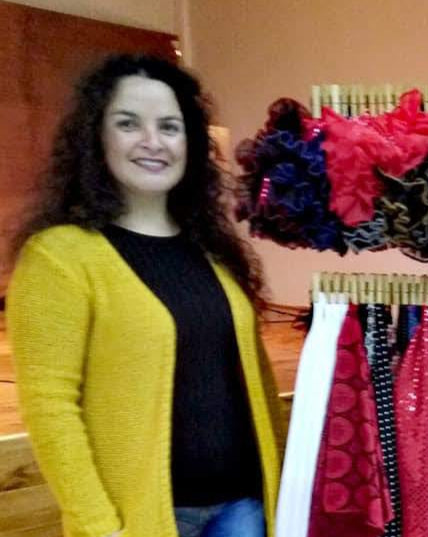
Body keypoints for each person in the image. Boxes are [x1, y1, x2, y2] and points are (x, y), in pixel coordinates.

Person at [7, 54, 285, 537]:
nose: (152, 141)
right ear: (96, 137)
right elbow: (52, 408)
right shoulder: (59, 256)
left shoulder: (212, 251)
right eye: (128, 123)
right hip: (144, 520)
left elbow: (254, 383)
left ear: (189, 142)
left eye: (169, 127)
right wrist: (98, 525)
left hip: (242, 508)